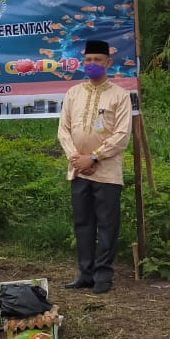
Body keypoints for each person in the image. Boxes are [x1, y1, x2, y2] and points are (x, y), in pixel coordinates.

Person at [57, 39, 133, 294]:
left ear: (108, 63)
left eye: (97, 60)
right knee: (83, 224)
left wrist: (94, 157)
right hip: (78, 169)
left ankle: (103, 276)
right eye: (88, 60)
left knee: (107, 225)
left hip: (107, 173)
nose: (91, 64)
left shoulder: (119, 96)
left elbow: (122, 135)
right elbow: (63, 130)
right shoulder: (73, 93)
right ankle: (85, 273)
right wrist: (76, 158)